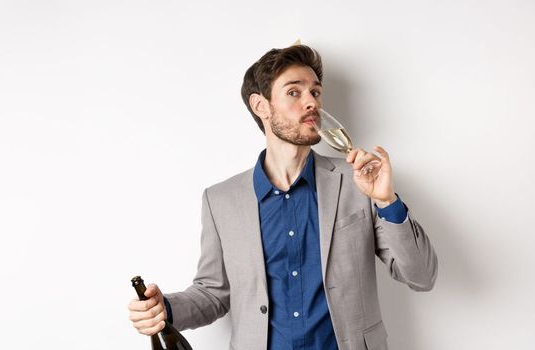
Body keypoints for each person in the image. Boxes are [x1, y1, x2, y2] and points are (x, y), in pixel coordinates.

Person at [126, 44, 437, 350]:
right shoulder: (220, 200)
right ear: (261, 106)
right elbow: (213, 293)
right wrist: (164, 309)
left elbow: (421, 276)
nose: (311, 103)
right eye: (294, 92)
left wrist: (386, 201)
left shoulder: (359, 182)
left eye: (315, 92)